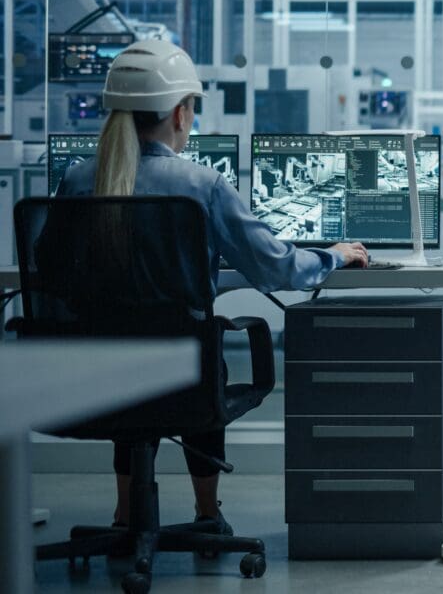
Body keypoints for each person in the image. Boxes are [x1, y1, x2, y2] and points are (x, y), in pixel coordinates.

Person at [54, 39, 370, 534]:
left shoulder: (76, 181)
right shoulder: (202, 185)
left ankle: (124, 515)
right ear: (181, 114)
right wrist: (334, 255)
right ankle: (206, 514)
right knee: (195, 351)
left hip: (96, 373)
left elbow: (57, 276)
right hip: (183, 375)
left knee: (127, 339)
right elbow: (275, 268)